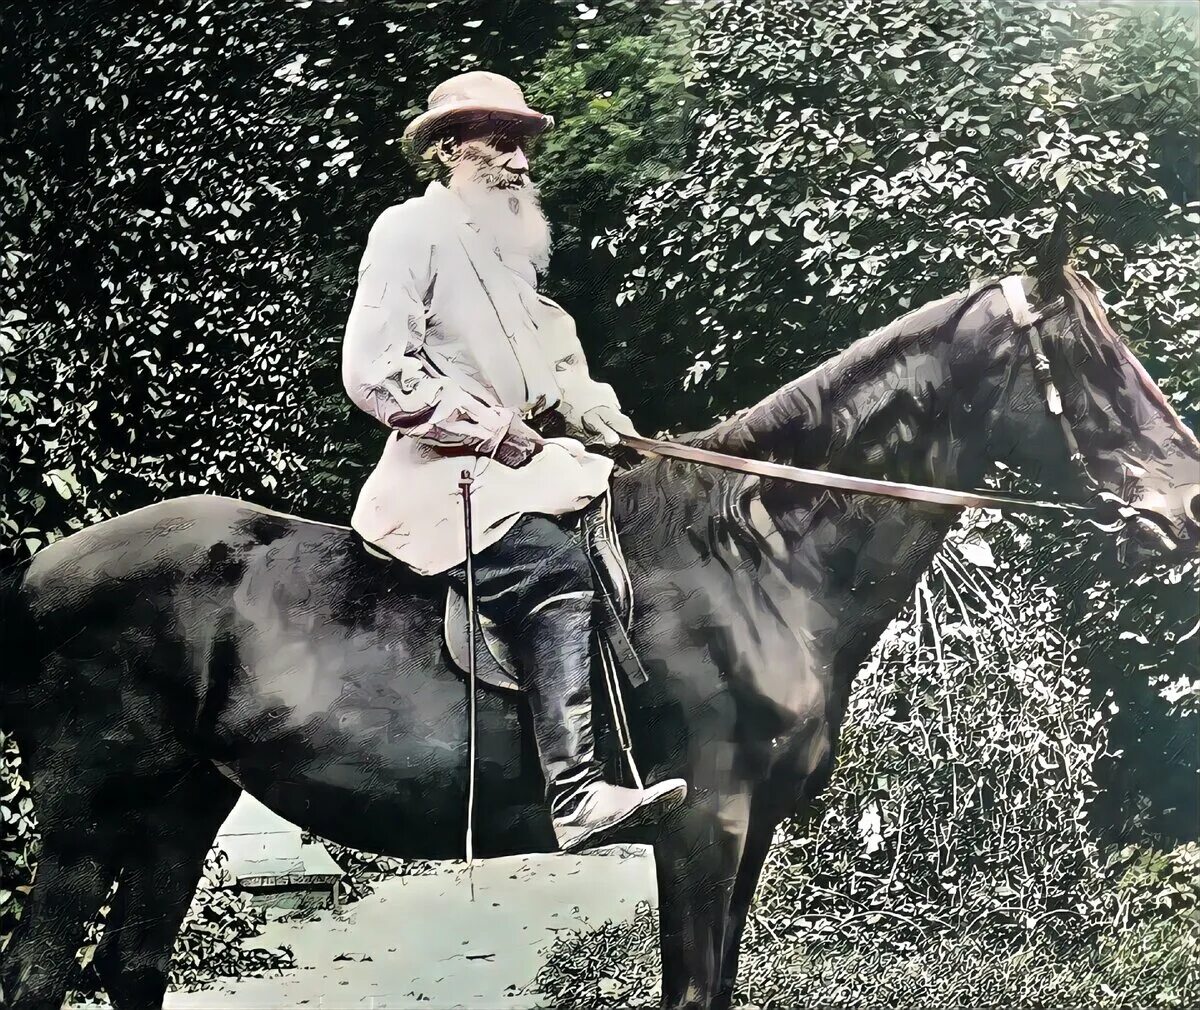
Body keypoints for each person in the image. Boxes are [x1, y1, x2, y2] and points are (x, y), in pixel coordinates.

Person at [341, 71, 686, 852]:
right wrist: (489, 428)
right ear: (449, 150)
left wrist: (614, 427)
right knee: (552, 568)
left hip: (527, 463)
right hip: (445, 472)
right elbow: (374, 369)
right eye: (501, 144)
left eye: (524, 146)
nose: (521, 164)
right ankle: (576, 795)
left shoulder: (509, 257)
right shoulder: (409, 233)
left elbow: (560, 372)